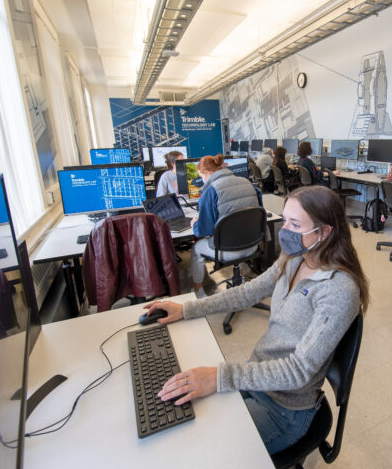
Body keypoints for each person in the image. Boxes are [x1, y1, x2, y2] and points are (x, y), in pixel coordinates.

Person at [144, 186, 369, 454]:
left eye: (295, 224)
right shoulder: (297, 256)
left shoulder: (338, 290)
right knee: (182, 420)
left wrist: (219, 376)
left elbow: (298, 371)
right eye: (285, 220)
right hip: (257, 378)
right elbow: (248, 291)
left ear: (324, 232)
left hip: (285, 410)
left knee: (201, 450)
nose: (285, 231)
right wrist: (188, 309)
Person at [189, 154, 262, 294]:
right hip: (253, 245)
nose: (202, 180)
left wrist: (195, 224)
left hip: (227, 250)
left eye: (202, 177)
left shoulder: (210, 191)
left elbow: (204, 230)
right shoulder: (248, 182)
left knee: (196, 248)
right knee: (237, 231)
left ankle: (197, 290)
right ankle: (239, 277)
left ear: (208, 173)